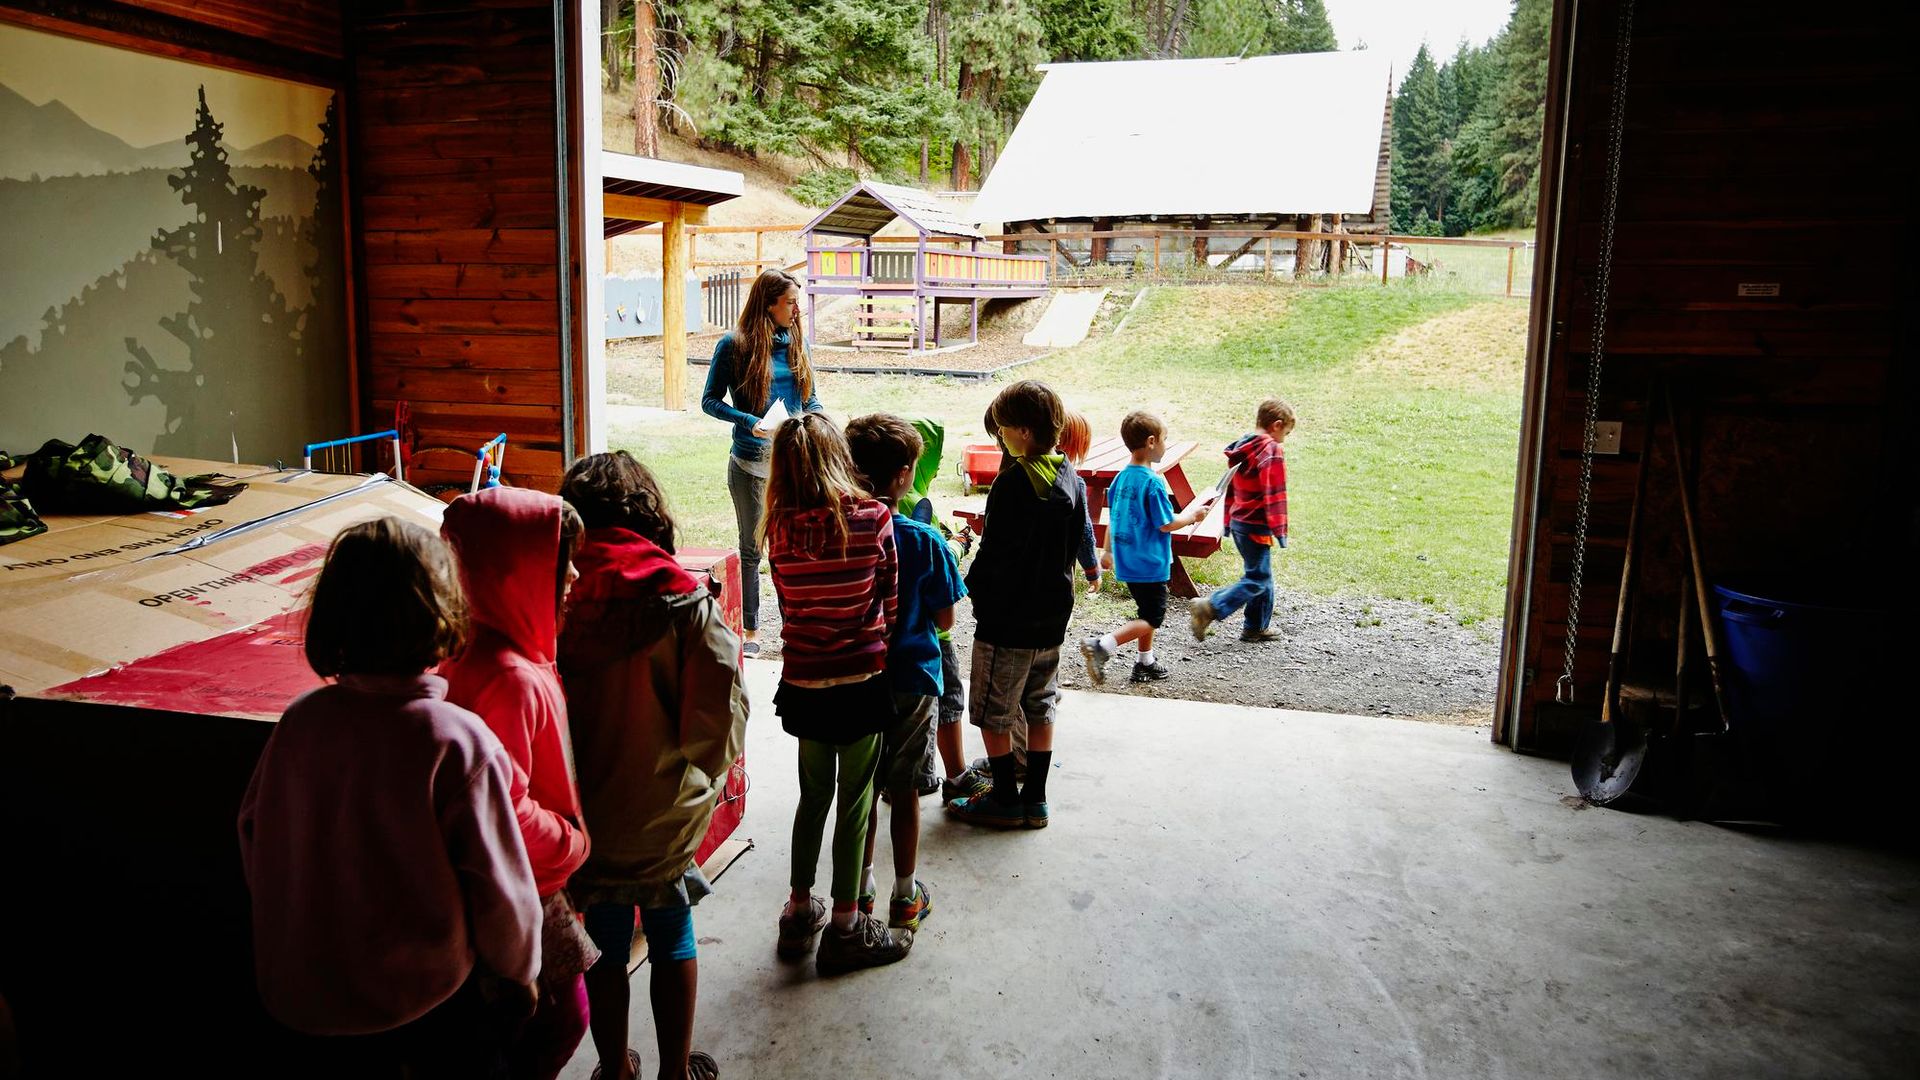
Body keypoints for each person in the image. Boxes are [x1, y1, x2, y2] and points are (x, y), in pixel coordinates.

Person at [239, 517, 540, 1079]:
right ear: (444, 614)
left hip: (298, 1008)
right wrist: (520, 972)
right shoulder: (456, 740)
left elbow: (256, 838)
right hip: (424, 1018)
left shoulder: (298, 723)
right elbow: (501, 892)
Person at [557, 452, 746, 1080]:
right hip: (664, 812)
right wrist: (706, 776)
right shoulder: (682, 599)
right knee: (672, 933)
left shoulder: (553, 592)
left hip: (581, 819)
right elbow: (716, 719)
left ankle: (614, 1069)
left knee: (605, 947)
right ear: (647, 510)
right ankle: (673, 1071)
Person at [441, 488, 595, 1080]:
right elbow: (505, 806)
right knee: (563, 1017)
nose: (575, 575)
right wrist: (571, 841)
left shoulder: (487, 650)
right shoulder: (509, 678)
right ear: (515, 573)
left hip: (514, 878)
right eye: (562, 563)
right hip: (527, 884)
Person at [763, 412, 913, 973]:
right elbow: (891, 603)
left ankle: (799, 911)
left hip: (804, 682)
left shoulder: (775, 528)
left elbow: (785, 603)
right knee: (854, 806)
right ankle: (847, 927)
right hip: (860, 682)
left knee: (812, 798)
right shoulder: (874, 517)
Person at [845, 413, 967, 933]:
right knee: (906, 790)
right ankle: (905, 893)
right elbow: (945, 619)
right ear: (902, 477)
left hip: (857, 677)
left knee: (864, 789)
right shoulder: (925, 541)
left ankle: (863, 888)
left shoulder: (840, 529)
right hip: (915, 678)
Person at [946, 380, 1087, 830]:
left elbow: (996, 554)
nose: (1001, 436)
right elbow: (1071, 547)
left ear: (1023, 431)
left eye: (1004, 428)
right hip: (1050, 618)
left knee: (994, 711)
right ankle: (1036, 799)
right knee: (1040, 704)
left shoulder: (1011, 484)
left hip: (1007, 620)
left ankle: (1005, 798)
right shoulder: (1072, 478)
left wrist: (975, 590)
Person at [700, 269, 824, 655]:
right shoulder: (733, 345)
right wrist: (749, 422)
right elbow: (710, 401)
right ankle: (751, 632)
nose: (797, 310)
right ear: (768, 303)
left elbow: (811, 399)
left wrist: (820, 423)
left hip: (794, 464)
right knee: (753, 550)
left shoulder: (796, 342)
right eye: (790, 302)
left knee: (791, 548)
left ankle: (794, 629)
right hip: (750, 465)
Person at [1080, 411, 1218, 685]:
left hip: (1127, 561)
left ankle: (1145, 662)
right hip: (1149, 561)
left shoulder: (1121, 479)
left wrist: (1106, 551)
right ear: (1152, 441)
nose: (1166, 445)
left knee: (1146, 612)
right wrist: (1194, 516)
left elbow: (1114, 519)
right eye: (1165, 439)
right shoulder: (1152, 483)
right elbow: (1166, 523)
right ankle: (1103, 646)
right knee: (1153, 618)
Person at [1192, 397, 1295, 644]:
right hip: (1256, 523)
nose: (1284, 439)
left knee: (1263, 574)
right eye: (1286, 433)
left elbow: (1233, 486)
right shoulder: (1271, 449)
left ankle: (1255, 627)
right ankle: (1211, 607)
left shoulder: (1245, 444)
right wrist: (1279, 529)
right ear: (1277, 425)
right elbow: (1275, 491)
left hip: (1240, 521)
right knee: (1257, 578)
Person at [1058, 409, 1102, 596]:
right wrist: (1092, 570)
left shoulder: (1026, 472)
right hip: (1056, 570)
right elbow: (1083, 532)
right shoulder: (1074, 483)